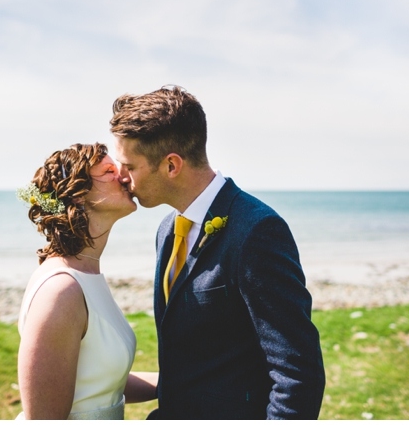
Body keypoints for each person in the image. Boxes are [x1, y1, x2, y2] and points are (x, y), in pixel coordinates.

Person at [110, 86, 326, 419]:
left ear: (171, 166)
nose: (121, 178)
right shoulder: (168, 230)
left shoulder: (257, 231)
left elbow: (297, 370)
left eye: (130, 166)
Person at [15, 142, 157, 420]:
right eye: (109, 171)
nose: (125, 177)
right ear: (78, 196)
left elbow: (102, 379)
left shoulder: (86, 275)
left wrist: (188, 384)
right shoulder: (61, 290)